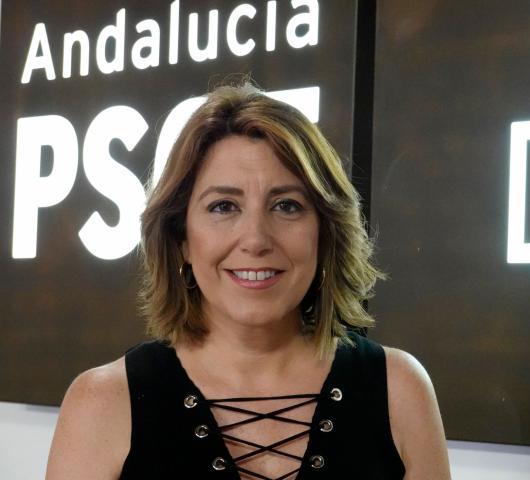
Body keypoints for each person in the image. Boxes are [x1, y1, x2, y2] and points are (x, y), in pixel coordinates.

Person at [46, 82, 451, 480]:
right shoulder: (102, 402)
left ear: (325, 233)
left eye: (286, 206)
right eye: (224, 206)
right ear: (181, 238)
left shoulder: (399, 389)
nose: (255, 239)